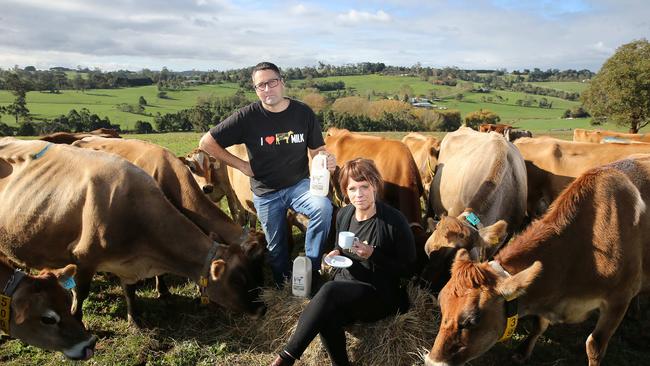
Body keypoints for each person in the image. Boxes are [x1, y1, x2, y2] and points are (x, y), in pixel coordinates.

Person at [199, 62, 336, 286]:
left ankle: (310, 268)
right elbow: (206, 142)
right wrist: (242, 165)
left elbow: (317, 150)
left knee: (323, 208)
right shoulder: (247, 117)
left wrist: (326, 159)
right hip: (265, 192)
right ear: (255, 89)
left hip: (298, 186)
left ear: (282, 82)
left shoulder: (303, 113)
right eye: (260, 85)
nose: (267, 89)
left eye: (271, 82)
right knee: (276, 246)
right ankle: (282, 283)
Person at [271, 158, 416, 366]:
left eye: (364, 186)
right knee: (325, 317)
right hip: (346, 286)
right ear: (345, 192)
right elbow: (339, 247)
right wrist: (333, 254)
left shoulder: (394, 222)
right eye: (352, 188)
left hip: (378, 293)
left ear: (375, 185)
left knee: (328, 291)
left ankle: (286, 357)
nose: (359, 194)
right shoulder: (345, 214)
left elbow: (409, 270)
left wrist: (372, 254)